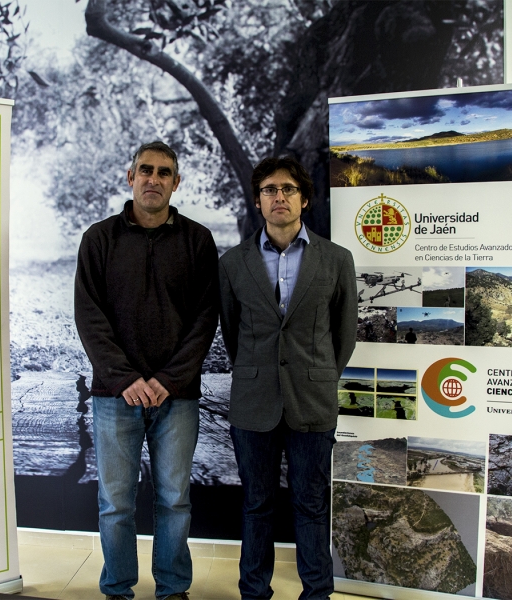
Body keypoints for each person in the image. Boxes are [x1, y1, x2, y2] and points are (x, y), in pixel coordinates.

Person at [74, 141, 219, 600]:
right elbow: (88, 316)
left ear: (176, 183)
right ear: (130, 177)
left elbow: (205, 319)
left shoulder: (198, 240)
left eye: (163, 173)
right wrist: (126, 380)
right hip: (114, 397)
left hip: (177, 398)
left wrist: (167, 380)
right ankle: (117, 589)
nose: (153, 179)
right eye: (145, 170)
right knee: (115, 504)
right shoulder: (99, 239)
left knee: (174, 501)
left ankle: (173, 589)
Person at [218, 156, 358, 600]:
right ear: (258, 201)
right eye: (270, 190)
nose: (280, 197)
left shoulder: (337, 260)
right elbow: (231, 330)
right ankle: (254, 593)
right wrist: (259, 372)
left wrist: (319, 376)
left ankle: (317, 595)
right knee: (256, 505)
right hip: (253, 402)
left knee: (311, 505)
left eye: (289, 189)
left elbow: (345, 333)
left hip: (312, 401)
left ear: (305, 199)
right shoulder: (233, 263)